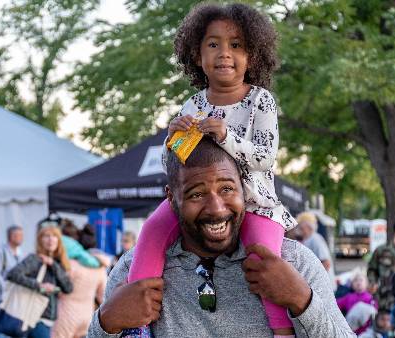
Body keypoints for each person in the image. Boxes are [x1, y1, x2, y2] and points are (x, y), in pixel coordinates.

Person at [125, 3, 298, 337]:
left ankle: (281, 330)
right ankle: (138, 323)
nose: (224, 53)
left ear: (253, 56)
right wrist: (172, 138)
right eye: (213, 44)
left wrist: (226, 136)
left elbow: (264, 157)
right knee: (151, 232)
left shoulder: (260, 101)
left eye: (236, 45)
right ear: (197, 54)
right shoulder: (193, 104)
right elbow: (173, 167)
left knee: (264, 258)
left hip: (254, 202)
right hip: (198, 199)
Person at [88, 137, 354, 337]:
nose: (216, 208)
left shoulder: (295, 262)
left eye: (227, 189)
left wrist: (301, 300)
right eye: (196, 194)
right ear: (172, 198)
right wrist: (105, 322)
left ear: (244, 188)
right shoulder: (132, 271)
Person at [6, 226, 73, 338]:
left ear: (59, 240)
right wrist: (39, 286)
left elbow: (68, 288)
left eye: (54, 236)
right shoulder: (35, 259)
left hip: (48, 318)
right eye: (47, 236)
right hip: (34, 317)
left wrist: (53, 265)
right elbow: (13, 274)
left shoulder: (59, 263)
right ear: (40, 240)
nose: (51, 239)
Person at [52, 242, 108, 338]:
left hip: (66, 312)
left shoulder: (72, 265)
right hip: (86, 315)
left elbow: (60, 287)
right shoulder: (101, 269)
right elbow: (103, 297)